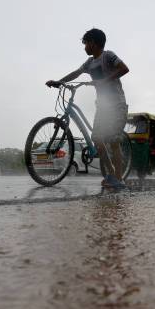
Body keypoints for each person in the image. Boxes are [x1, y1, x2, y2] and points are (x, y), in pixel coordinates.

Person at [46, 28, 129, 189]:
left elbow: (124, 68)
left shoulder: (108, 55)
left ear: (93, 43)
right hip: (103, 106)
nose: (84, 47)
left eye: (86, 43)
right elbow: (76, 73)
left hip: (117, 104)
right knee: (97, 138)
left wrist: (104, 81)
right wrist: (58, 82)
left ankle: (119, 178)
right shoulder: (90, 63)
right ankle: (111, 173)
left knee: (113, 140)